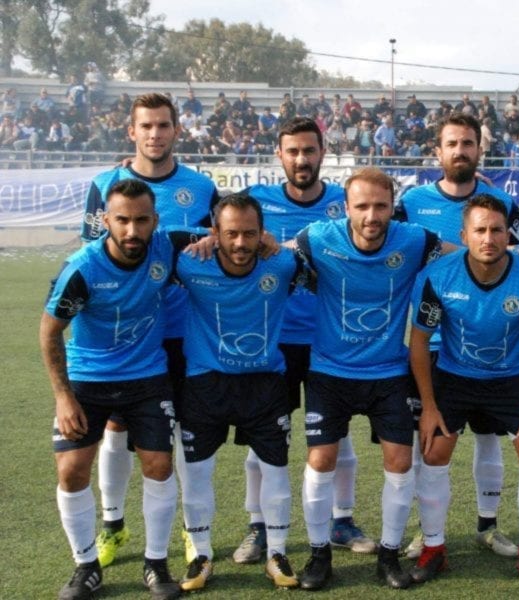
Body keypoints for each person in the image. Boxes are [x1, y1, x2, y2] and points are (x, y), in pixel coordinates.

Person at [80, 92, 219, 569]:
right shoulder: (104, 184)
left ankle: (190, 531)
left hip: (183, 329)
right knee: (116, 427)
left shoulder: (201, 187)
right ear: (132, 131)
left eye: (163, 125)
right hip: (124, 333)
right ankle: (113, 525)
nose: (155, 134)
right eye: (146, 126)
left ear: (177, 130)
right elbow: (91, 255)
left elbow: (220, 243)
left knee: (183, 428)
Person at [292, 167, 445, 590]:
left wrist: (514, 252)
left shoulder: (414, 240)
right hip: (329, 370)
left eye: (381, 206)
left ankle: (389, 556)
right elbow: (276, 253)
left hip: (388, 371)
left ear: (393, 207)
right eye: (362, 206)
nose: (372, 216)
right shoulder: (317, 238)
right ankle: (319, 555)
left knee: (399, 461)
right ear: (345, 207)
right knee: (320, 460)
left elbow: (462, 254)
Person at [394, 113, 519, 559]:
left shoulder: (501, 203)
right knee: (428, 441)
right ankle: (426, 532)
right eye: (452, 143)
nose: (460, 151)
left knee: (488, 437)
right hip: (431, 343)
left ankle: (487, 526)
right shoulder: (411, 201)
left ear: (479, 149)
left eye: (468, 143)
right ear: (437, 151)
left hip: (490, 344)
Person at [232, 118, 373, 564]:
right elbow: (216, 231)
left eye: (309, 150)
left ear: (322, 153)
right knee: (261, 436)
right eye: (292, 151)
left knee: (338, 435)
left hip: (330, 340)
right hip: (269, 341)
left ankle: (342, 520)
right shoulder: (256, 201)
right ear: (279, 155)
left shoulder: (344, 203)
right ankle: (257, 526)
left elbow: (392, 222)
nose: (301, 159)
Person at [42, 179, 187, 600]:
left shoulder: (167, 246)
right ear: (105, 220)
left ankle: (156, 564)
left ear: (155, 221)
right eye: (122, 220)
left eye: (141, 220)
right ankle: (86, 566)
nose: (131, 230)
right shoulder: (82, 268)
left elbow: (223, 235)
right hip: (88, 380)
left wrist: (259, 241)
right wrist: (64, 397)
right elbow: (50, 332)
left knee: (158, 465)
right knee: (72, 470)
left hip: (147, 377)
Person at [408, 195, 519, 588]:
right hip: (454, 377)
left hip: (513, 379)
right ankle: (433, 548)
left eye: (496, 230)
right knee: (434, 451)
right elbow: (419, 341)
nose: (488, 238)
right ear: (464, 236)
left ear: (508, 234)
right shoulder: (439, 275)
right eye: (480, 230)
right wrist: (429, 406)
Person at [174, 194, 302, 591]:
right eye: (230, 234)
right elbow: (160, 238)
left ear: (263, 233)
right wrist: (197, 237)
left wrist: (278, 244)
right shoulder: (190, 263)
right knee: (196, 473)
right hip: (204, 384)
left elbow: (312, 247)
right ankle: (200, 555)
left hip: (264, 384)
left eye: (250, 233)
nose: (241, 243)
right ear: (215, 232)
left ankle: (276, 553)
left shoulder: (282, 264)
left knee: (275, 469)